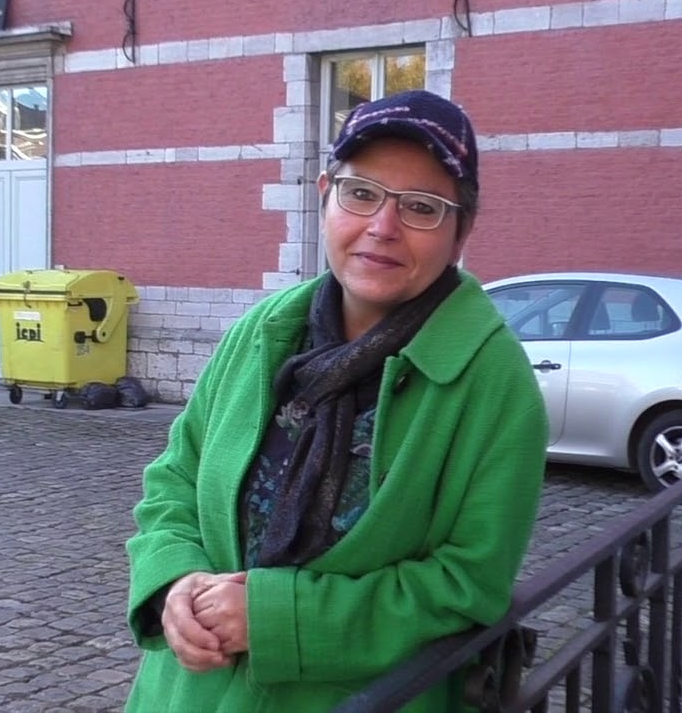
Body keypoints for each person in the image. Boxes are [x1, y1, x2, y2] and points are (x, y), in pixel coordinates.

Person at [124, 89, 547, 712]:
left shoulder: (492, 381)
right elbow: (176, 482)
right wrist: (174, 584)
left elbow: (467, 582)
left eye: (423, 208)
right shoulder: (264, 333)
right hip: (193, 693)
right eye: (362, 193)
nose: (383, 226)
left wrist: (275, 619)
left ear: (462, 232)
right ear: (326, 194)